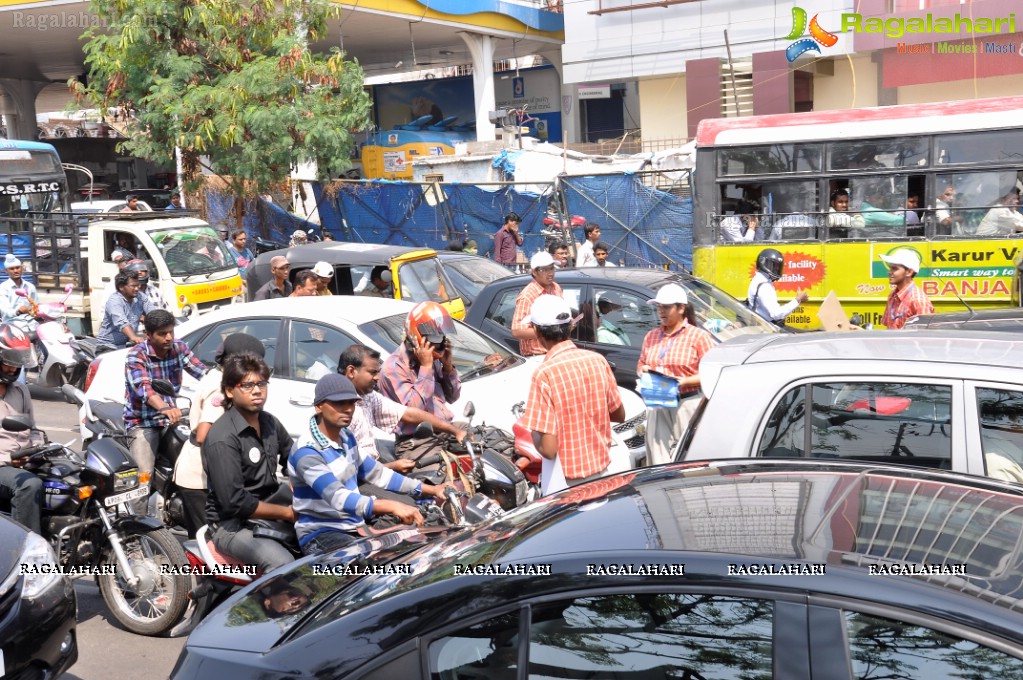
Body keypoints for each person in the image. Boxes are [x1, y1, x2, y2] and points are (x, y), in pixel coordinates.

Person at [288, 374, 453, 554]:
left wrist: (433, 490)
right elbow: (339, 498)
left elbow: (379, 474)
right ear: (319, 407)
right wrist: (392, 506)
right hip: (322, 533)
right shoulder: (307, 451)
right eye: (338, 403)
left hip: (355, 528)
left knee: (418, 548)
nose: (348, 409)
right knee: (368, 569)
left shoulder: (346, 437)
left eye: (351, 403)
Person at [520, 295, 624, 495]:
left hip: (565, 483)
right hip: (602, 473)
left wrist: (533, 433)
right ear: (570, 326)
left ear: (536, 332)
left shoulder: (544, 374)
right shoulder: (597, 360)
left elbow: (549, 449)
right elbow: (618, 415)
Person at [203, 353, 296, 572]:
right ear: (229, 391)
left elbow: (296, 460)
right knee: (283, 565)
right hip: (231, 525)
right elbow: (235, 502)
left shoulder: (270, 422)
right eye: (247, 385)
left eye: (261, 383)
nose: (257, 391)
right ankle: (271, 605)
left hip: (272, 511)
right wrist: (287, 513)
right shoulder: (223, 437)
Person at [173, 333, 266, 538]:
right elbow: (204, 434)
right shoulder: (221, 386)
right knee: (208, 542)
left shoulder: (219, 375)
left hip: (203, 472)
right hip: (200, 477)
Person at [124, 309, 208, 512]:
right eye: (162, 334)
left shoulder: (179, 347)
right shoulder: (137, 355)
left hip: (173, 420)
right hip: (143, 423)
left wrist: (226, 386)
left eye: (171, 332)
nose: (168, 337)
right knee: (142, 480)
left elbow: (201, 371)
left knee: (197, 464)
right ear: (149, 335)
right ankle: (136, 533)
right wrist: (164, 407)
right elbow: (144, 388)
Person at [340, 344, 467, 478]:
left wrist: (455, 431)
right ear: (351, 372)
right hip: (359, 482)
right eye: (372, 372)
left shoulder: (367, 397)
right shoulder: (339, 411)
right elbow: (346, 471)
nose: (377, 377)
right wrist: (391, 467)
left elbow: (410, 414)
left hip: (374, 471)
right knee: (433, 487)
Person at [638, 284, 714, 465]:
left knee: (687, 460)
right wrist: (643, 371)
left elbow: (712, 373)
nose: (661, 312)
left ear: (681, 308)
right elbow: (641, 364)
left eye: (666, 307)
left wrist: (684, 381)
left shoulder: (698, 336)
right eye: (658, 307)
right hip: (658, 404)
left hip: (687, 404)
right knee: (659, 461)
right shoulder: (651, 336)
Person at [378, 302, 462, 465]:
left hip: (445, 430)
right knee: (448, 477)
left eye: (442, 337)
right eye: (435, 338)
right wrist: (426, 367)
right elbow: (415, 410)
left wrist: (448, 367)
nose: (440, 343)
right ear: (419, 338)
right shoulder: (393, 368)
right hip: (417, 441)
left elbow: (453, 397)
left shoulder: (433, 358)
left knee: (487, 445)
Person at [0, 324, 41, 534]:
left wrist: (37, 449)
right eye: (8, 362)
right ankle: (29, 553)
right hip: (2, 465)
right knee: (28, 485)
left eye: (16, 363)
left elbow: (33, 430)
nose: (13, 368)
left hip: (25, 461)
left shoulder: (21, 390)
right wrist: (9, 459)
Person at [511, 251, 563, 357]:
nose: (550, 273)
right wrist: (548, 332)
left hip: (556, 351)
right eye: (545, 269)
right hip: (537, 355)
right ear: (534, 272)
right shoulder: (527, 296)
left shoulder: (556, 288)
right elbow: (517, 331)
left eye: (552, 268)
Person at [747, 248, 809, 326]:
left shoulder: (759, 279)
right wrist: (797, 300)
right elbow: (776, 314)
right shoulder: (764, 286)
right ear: (764, 264)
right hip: (766, 328)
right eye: (773, 266)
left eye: (778, 267)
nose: (776, 269)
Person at [97, 270, 155, 348]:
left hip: (126, 345)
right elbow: (122, 323)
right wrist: (134, 338)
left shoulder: (140, 296)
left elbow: (153, 314)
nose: (137, 288)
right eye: (133, 286)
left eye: (138, 285)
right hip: (108, 346)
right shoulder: (115, 301)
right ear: (121, 287)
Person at [879, 249, 934, 330]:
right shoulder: (892, 296)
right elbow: (889, 330)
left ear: (909, 272)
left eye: (894, 268)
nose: (889, 272)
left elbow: (924, 336)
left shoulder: (918, 300)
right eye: (890, 268)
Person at [0, 254, 38, 326]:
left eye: (18, 268)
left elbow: (36, 305)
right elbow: (5, 311)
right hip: (12, 324)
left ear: (22, 268)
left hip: (31, 323)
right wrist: (18, 311)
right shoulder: (3, 288)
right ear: (6, 271)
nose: (15, 271)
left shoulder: (30, 287)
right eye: (12, 269)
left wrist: (34, 310)